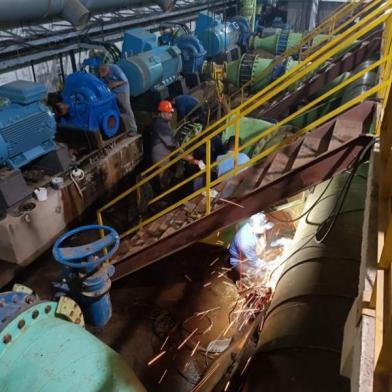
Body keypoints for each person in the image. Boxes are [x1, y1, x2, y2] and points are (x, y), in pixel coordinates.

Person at [151, 100, 201, 190]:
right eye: (169, 113)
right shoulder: (160, 124)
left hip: (165, 155)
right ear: (162, 112)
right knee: (162, 178)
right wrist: (190, 158)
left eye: (171, 112)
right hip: (160, 157)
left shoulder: (163, 122)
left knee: (166, 175)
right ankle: (162, 196)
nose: (171, 115)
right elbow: (172, 144)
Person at [229, 213, 274, 283]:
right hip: (239, 262)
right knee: (262, 276)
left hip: (250, 255)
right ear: (255, 228)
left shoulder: (256, 228)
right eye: (264, 228)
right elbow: (255, 262)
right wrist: (270, 266)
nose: (266, 229)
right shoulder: (245, 242)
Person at [98, 64, 137, 135]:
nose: (104, 77)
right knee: (116, 109)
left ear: (108, 70)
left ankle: (133, 129)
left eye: (105, 75)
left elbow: (125, 81)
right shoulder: (102, 72)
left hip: (122, 90)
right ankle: (121, 129)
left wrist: (114, 84)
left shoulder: (116, 69)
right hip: (112, 91)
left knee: (126, 108)